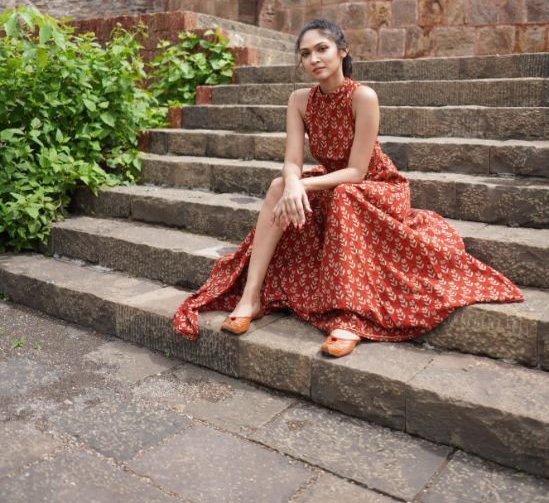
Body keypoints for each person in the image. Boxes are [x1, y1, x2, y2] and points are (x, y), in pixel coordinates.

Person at [173, 18, 524, 357]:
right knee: (279, 185)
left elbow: (357, 171)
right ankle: (252, 296)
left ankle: (350, 317)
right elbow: (292, 160)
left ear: (342, 51)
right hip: (334, 180)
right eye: (306, 54)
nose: (314, 59)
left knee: (341, 193)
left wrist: (304, 185)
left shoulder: (363, 97)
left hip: (376, 185)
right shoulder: (299, 101)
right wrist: (293, 183)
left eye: (322, 49)